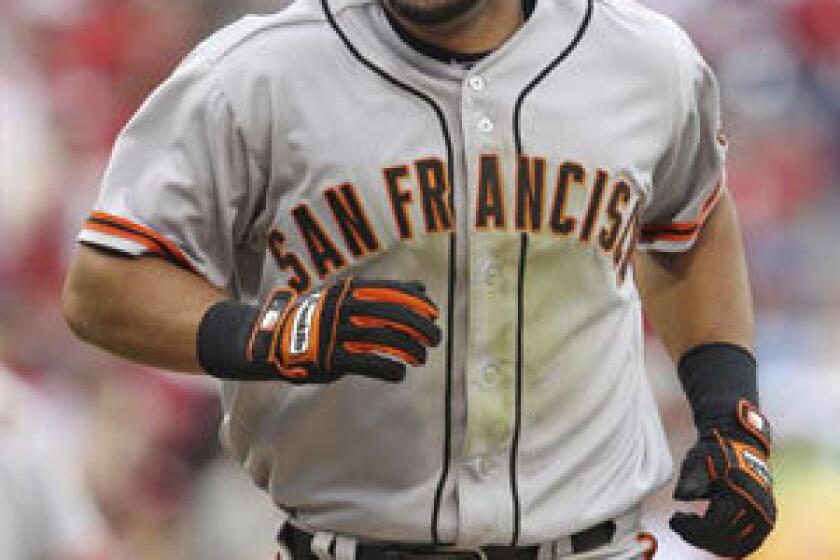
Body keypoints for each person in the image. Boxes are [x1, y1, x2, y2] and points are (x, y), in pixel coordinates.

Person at [62, 0, 777, 558]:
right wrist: (272, 334)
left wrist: (729, 410)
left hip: (596, 544)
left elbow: (692, 219)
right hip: (346, 543)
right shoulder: (255, 74)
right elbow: (103, 283)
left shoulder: (643, 60)